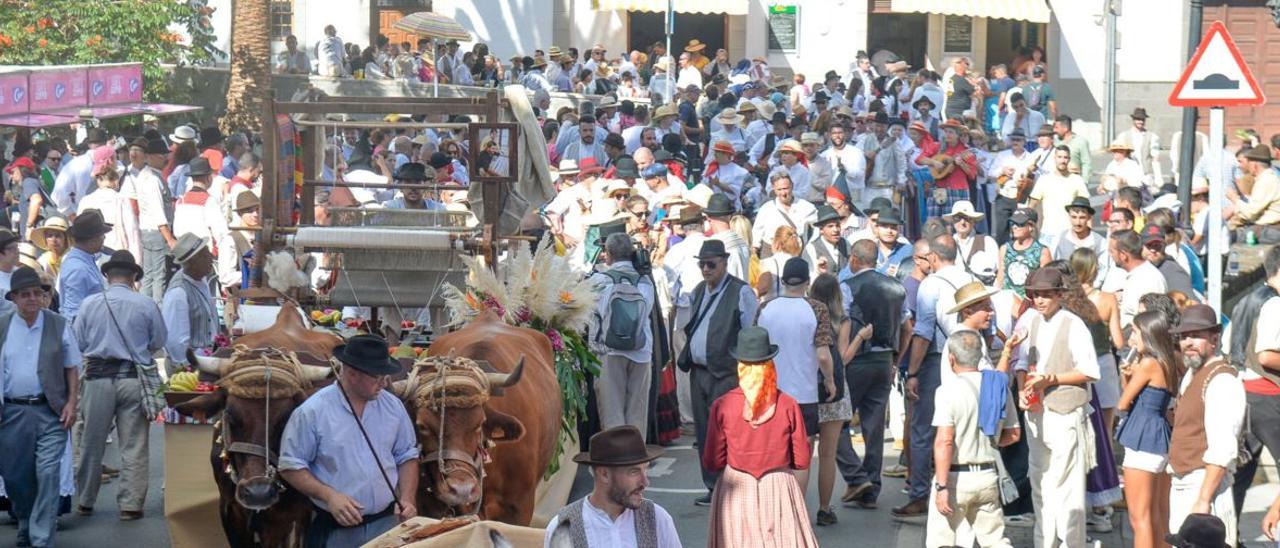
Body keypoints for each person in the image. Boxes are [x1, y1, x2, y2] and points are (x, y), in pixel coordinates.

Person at [279, 334, 418, 547]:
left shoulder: (393, 407)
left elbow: (406, 455)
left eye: (385, 376)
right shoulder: (312, 412)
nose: (384, 383)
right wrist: (329, 496)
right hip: (335, 531)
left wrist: (407, 498)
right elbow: (290, 466)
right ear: (352, 374)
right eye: (377, 377)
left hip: (388, 524)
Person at [702, 326, 818, 548]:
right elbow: (802, 459)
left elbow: (712, 461)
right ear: (771, 365)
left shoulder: (723, 406)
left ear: (740, 366)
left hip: (737, 486)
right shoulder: (788, 405)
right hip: (778, 486)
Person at [1009, 267, 1100, 547]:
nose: (1040, 300)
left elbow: (1090, 370)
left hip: (1065, 413)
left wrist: (1052, 379)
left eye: (1046, 295)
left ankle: (1072, 543)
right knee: (1041, 484)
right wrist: (1024, 388)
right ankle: (1044, 542)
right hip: (1037, 414)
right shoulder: (1030, 320)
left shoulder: (1073, 324)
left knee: (1069, 488)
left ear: (1060, 295)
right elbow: (1021, 362)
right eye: (1036, 294)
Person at [71, 250, 164, 519]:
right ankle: (130, 505)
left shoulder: (89, 304)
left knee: (91, 441)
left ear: (108, 276)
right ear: (134, 276)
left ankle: (86, 500)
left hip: (97, 379)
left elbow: (79, 342)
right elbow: (157, 341)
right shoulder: (146, 304)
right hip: (132, 379)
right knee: (134, 443)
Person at [895, 234, 976, 518]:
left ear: (933, 257)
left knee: (922, 430)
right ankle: (957, 491)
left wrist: (912, 371)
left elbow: (923, 332)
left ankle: (919, 493)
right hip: (970, 359)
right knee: (962, 427)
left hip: (936, 361)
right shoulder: (969, 278)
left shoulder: (930, 284)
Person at [0, 266, 81, 548]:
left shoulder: (58, 324)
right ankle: (24, 521)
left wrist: (72, 402)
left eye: (37, 293)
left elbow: (72, 367)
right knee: (15, 475)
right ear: (15, 298)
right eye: (25, 295)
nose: (32, 299)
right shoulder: (3, 326)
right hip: (11, 413)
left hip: (50, 410)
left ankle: (41, 538)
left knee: (47, 473)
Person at [681, 239, 759, 506]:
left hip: (726, 372)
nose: (705, 269)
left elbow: (750, 333)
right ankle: (713, 486)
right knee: (704, 432)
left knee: (727, 432)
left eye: (711, 264)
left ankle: (733, 486)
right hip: (700, 371)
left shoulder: (741, 291)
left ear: (724, 263)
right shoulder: (699, 290)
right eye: (702, 264)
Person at [927, 330, 1021, 548]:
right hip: (988, 475)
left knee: (944, 542)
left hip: (955, 477)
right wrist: (990, 443)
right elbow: (1014, 434)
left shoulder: (946, 391)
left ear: (951, 358)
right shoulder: (998, 387)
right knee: (995, 541)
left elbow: (945, 441)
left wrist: (941, 487)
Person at [1164, 304, 1245, 545]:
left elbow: (1222, 449)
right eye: (1184, 336)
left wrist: (1203, 500)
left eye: (1196, 335)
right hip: (1185, 480)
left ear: (1214, 339)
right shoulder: (1193, 373)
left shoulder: (1221, 380)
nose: (1188, 342)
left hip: (1204, 483)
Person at [835, 239, 904, 510]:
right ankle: (871, 488)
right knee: (874, 427)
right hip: (884, 358)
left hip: (857, 359)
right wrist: (896, 357)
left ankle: (857, 476)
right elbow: (906, 325)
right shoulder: (896, 287)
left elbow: (843, 322)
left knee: (838, 421)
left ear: (854, 259)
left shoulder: (847, 286)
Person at [755, 256, 835, 489]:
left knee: (773, 455)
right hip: (804, 393)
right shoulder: (816, 308)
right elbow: (822, 354)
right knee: (801, 457)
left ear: (783, 280)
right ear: (808, 281)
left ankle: (775, 507)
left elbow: (754, 347)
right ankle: (796, 511)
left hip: (770, 392)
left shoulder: (765, 308)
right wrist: (829, 380)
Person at [544, 426, 679, 547]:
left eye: (645, 470)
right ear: (604, 475)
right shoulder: (564, 527)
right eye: (634, 472)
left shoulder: (658, 519)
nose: (645, 482)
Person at [1115, 310, 1182, 548]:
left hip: (1142, 439)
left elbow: (1123, 403)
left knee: (1139, 518)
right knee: (1154, 514)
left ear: (1148, 334)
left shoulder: (1148, 363)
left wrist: (1128, 377)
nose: (1132, 338)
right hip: (1158, 437)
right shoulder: (1168, 361)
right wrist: (1128, 378)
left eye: (1135, 332)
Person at [590, 233, 656, 434]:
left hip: (608, 351)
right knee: (637, 408)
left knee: (612, 410)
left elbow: (590, 312)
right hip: (641, 350)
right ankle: (636, 458)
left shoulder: (599, 280)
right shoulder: (645, 282)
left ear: (608, 254)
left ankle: (617, 458)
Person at [124, 138, 177, 303]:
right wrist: (169, 238)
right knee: (158, 276)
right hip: (156, 232)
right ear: (151, 156)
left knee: (149, 275)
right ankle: (157, 309)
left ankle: (146, 306)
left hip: (148, 231)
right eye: (161, 155)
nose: (165, 158)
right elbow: (158, 211)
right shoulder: (152, 179)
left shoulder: (145, 176)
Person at [161, 234, 219, 373]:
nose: (211, 257)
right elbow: (175, 342)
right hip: (190, 368)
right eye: (205, 256)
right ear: (193, 262)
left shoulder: (201, 279)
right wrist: (188, 370)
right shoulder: (178, 293)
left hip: (205, 361)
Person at [1028, 146, 1090, 249]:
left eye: (1065, 157)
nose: (1062, 160)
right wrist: (1030, 227)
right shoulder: (1044, 180)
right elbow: (1031, 206)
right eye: (1060, 157)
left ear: (1069, 159)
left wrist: (1087, 234)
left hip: (1070, 233)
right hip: (1048, 233)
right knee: (1048, 264)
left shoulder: (1077, 180)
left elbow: (1087, 209)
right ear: (1054, 158)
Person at [78, 162, 142, 261]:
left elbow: (79, 230)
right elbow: (132, 232)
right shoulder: (121, 199)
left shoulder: (85, 200)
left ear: (98, 180)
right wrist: (137, 263)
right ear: (116, 181)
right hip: (118, 254)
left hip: (90, 253)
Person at [57, 210, 111, 322]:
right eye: (101, 235)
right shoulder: (77, 268)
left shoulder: (84, 261)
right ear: (92, 241)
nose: (104, 238)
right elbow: (74, 313)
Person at [1110, 229, 1168, 329]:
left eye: (1111, 251)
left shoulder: (1149, 279)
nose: (1110, 255)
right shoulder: (1133, 275)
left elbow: (1150, 324)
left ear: (1123, 255)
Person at [750, 172, 816, 257]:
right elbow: (756, 233)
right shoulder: (766, 209)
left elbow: (816, 232)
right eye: (779, 190)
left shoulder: (807, 207)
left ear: (792, 186)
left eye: (785, 188)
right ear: (773, 189)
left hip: (798, 254)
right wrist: (754, 252)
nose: (783, 193)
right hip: (771, 254)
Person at [1227, 144, 1280, 244]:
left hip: (1268, 231)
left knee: (1224, 238)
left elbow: (1251, 213)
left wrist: (1234, 199)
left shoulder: (1266, 181)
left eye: (1249, 162)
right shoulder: (1267, 179)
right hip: (1268, 229)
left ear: (1255, 165)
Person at [995, 209, 1050, 298]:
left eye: (1019, 224)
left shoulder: (1042, 251)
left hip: (1029, 302)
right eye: (1013, 223)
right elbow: (1000, 277)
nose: (1014, 227)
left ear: (1031, 226)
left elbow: (1046, 282)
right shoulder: (1005, 248)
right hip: (1007, 300)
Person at [703, 195, 751, 281]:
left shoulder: (713, 246)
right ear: (729, 216)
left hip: (728, 292)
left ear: (708, 218)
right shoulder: (742, 241)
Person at [946, 201, 996, 277]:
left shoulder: (987, 241)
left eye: (967, 218)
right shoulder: (947, 243)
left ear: (974, 221)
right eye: (958, 218)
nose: (962, 222)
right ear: (952, 221)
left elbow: (997, 271)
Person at [804, 206, 849, 279]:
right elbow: (809, 278)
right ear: (821, 230)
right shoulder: (811, 248)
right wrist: (818, 271)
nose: (835, 230)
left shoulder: (845, 243)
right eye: (830, 226)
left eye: (838, 225)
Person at [30, 217, 69, 282]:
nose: (54, 240)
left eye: (58, 236)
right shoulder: (43, 260)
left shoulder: (71, 258)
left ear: (65, 238)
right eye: (50, 236)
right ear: (45, 239)